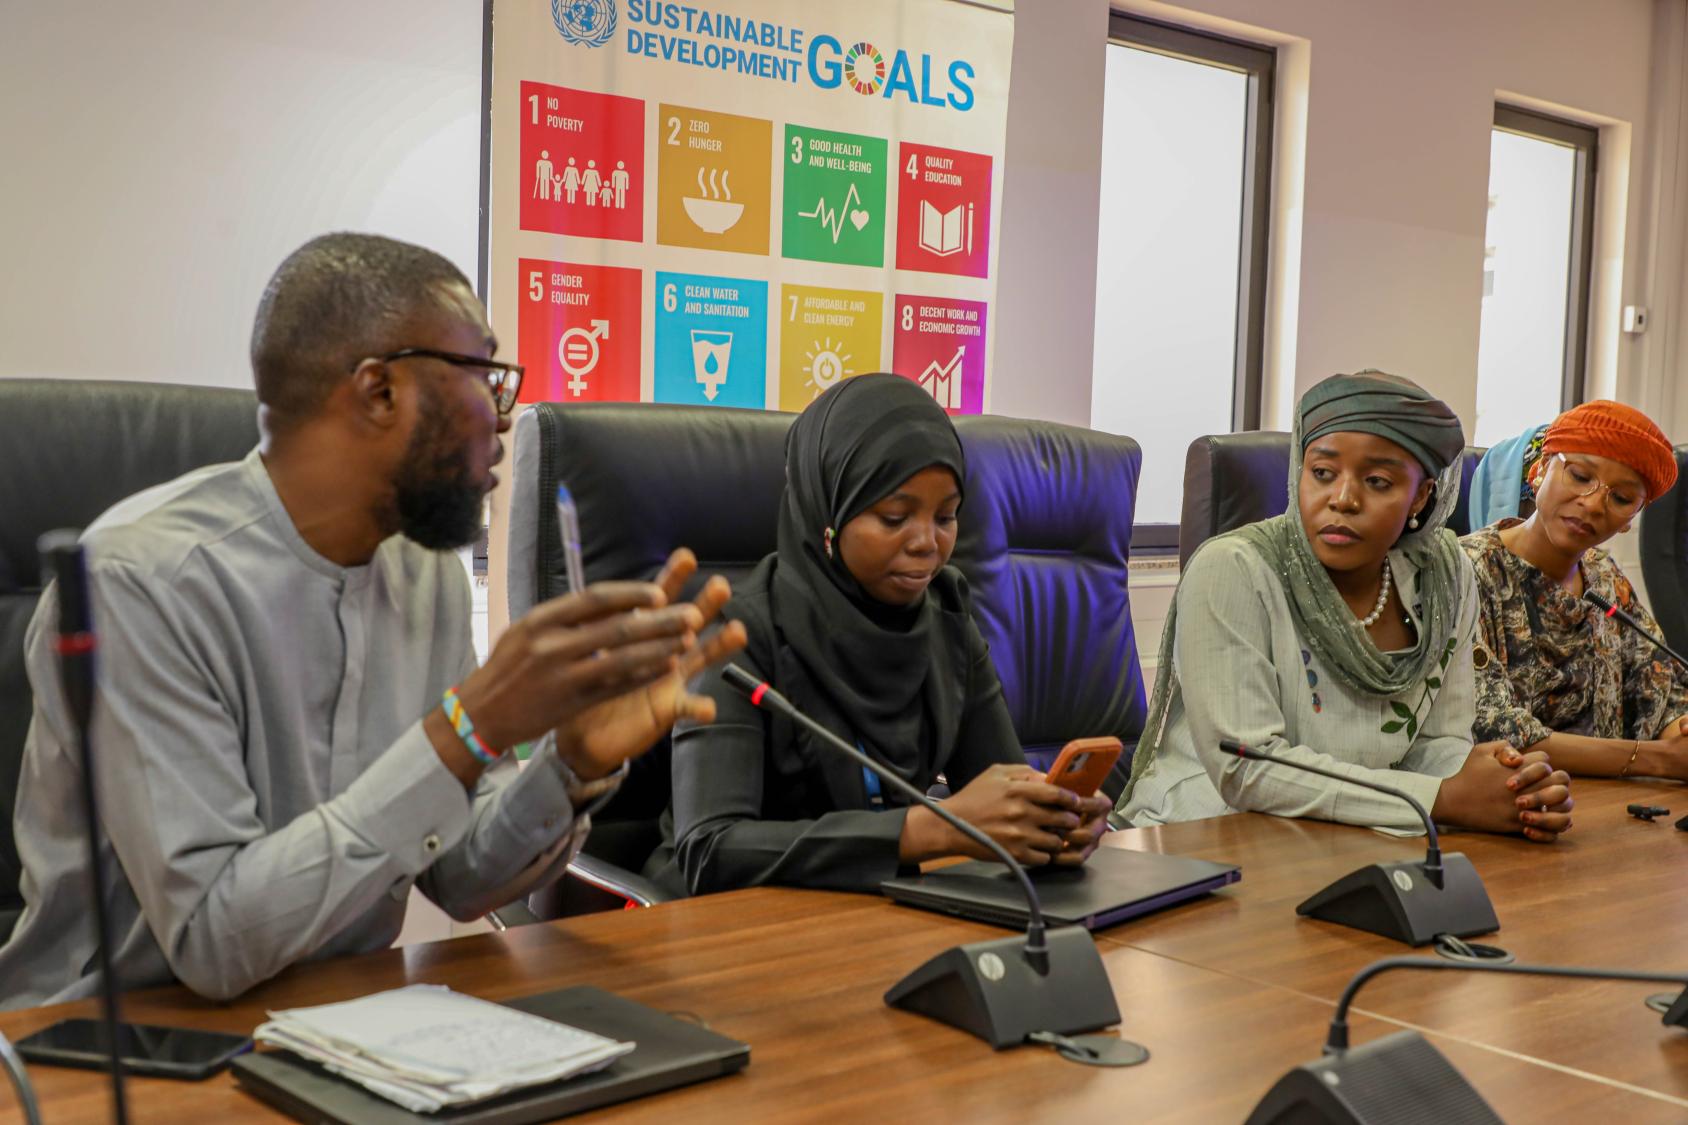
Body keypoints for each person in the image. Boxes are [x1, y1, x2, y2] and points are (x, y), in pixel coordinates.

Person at [0, 233, 744, 1009]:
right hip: (108, 1048)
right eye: (483, 375)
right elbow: (214, 941)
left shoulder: (427, 575)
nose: (503, 415)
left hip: (343, 1023)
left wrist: (571, 763)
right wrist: (467, 726)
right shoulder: (140, 584)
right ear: (378, 390)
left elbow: (458, 878)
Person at [649, 374, 1112, 896]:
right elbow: (709, 850)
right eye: (894, 517)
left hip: (882, 915)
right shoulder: (736, 633)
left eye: (946, 516)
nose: (927, 544)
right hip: (728, 929)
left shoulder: (946, 612)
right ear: (828, 518)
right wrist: (929, 829)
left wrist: (1050, 822)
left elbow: (1002, 787)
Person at [1116, 371, 1572, 842]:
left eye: (1377, 481)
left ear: (1421, 494)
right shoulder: (1234, 569)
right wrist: (1443, 799)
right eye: (1322, 473)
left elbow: (1438, 742)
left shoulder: (1445, 574)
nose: (1343, 499)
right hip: (1205, 838)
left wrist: (1509, 790)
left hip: (1352, 835)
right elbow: (1246, 769)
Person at [1460, 400, 1688, 779]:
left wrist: (1679, 730)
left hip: (1609, 810)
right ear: (1538, 472)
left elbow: (1661, 690)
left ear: (1633, 518)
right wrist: (1661, 759)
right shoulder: (1465, 571)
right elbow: (1495, 729)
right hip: (1505, 808)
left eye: (1621, 498)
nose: (1594, 504)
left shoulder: (1604, 577)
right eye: (1581, 476)